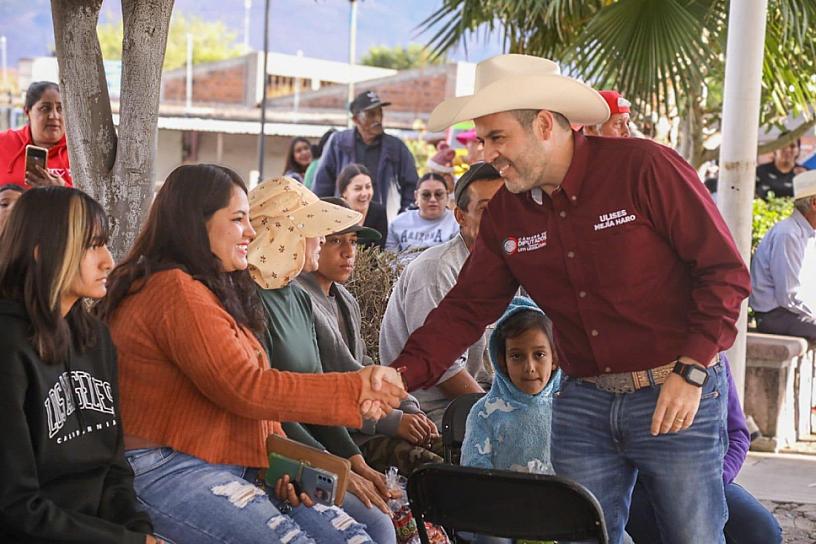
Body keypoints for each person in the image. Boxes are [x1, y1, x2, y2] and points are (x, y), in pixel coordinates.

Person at [388, 54, 751, 544]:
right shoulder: (506, 214)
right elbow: (466, 307)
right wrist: (395, 378)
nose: (486, 154)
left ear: (543, 124)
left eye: (497, 138)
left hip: (674, 390)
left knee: (693, 536)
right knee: (580, 536)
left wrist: (691, 371)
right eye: (483, 140)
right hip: (581, 400)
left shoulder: (644, 167)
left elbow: (724, 272)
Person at [96, 164, 406, 544]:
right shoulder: (173, 290)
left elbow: (250, 400)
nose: (251, 231)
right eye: (238, 219)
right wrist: (356, 391)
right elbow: (246, 388)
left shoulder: (211, 288)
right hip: (167, 467)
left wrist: (284, 463)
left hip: (227, 461)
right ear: (197, 222)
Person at [0, 187, 159, 543]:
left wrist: (138, 531)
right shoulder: (8, 347)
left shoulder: (96, 339)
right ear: (42, 252)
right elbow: (15, 505)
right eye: (92, 246)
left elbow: (114, 468)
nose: (108, 261)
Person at [247, 178, 397, 543]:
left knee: (382, 516)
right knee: (374, 525)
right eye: (313, 231)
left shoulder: (297, 298)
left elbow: (317, 392)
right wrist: (336, 466)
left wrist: (353, 461)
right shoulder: (249, 302)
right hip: (271, 455)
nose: (320, 240)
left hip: (314, 452)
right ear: (282, 234)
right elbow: (273, 411)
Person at [296, 197, 443, 476]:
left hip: (370, 419)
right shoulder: (301, 300)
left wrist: (411, 408)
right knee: (432, 469)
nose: (349, 252)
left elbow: (364, 362)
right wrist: (395, 420)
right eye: (336, 241)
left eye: (353, 241)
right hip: (337, 433)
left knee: (453, 449)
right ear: (312, 242)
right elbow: (341, 372)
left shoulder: (346, 299)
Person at [380, 163, 504, 427]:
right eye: (485, 209)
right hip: (435, 413)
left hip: (483, 402)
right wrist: (502, 418)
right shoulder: (436, 269)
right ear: (460, 216)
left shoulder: (509, 264)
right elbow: (446, 372)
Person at [627, 356, 782, 544]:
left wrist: (715, 480)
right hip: (638, 483)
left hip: (704, 477)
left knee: (762, 531)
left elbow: (738, 435)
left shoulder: (712, 360)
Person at [460, 298, 560, 544]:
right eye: (517, 356)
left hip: (561, 515)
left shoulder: (569, 408)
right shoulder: (485, 413)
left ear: (556, 358)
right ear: (502, 360)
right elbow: (475, 474)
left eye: (539, 355)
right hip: (501, 517)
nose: (529, 367)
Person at [313, 90, 419, 218]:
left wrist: (403, 217)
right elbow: (322, 186)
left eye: (380, 112)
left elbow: (412, 185)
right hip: (344, 222)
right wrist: (326, 218)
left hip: (385, 222)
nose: (378, 119)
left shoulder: (396, 147)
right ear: (356, 119)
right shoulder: (338, 143)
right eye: (371, 114)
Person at [750, 170, 816, 342]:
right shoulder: (789, 234)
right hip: (775, 316)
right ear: (814, 203)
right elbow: (788, 296)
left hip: (788, 313)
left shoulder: (803, 232)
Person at [0, 81, 72, 187]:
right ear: (27, 112)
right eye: (45, 108)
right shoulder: (4, 143)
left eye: (60, 109)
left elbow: (94, 201)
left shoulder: (80, 151)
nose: (54, 116)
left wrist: (63, 190)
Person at [384, 173, 459, 263]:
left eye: (438, 194)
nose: (433, 199)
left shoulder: (457, 223)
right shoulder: (398, 223)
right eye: (426, 195)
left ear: (447, 196)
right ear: (416, 196)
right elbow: (389, 261)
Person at [338, 163, 388, 248]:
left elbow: (378, 251)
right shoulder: (335, 211)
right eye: (358, 188)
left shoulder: (379, 212)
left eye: (368, 187)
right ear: (344, 192)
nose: (364, 193)